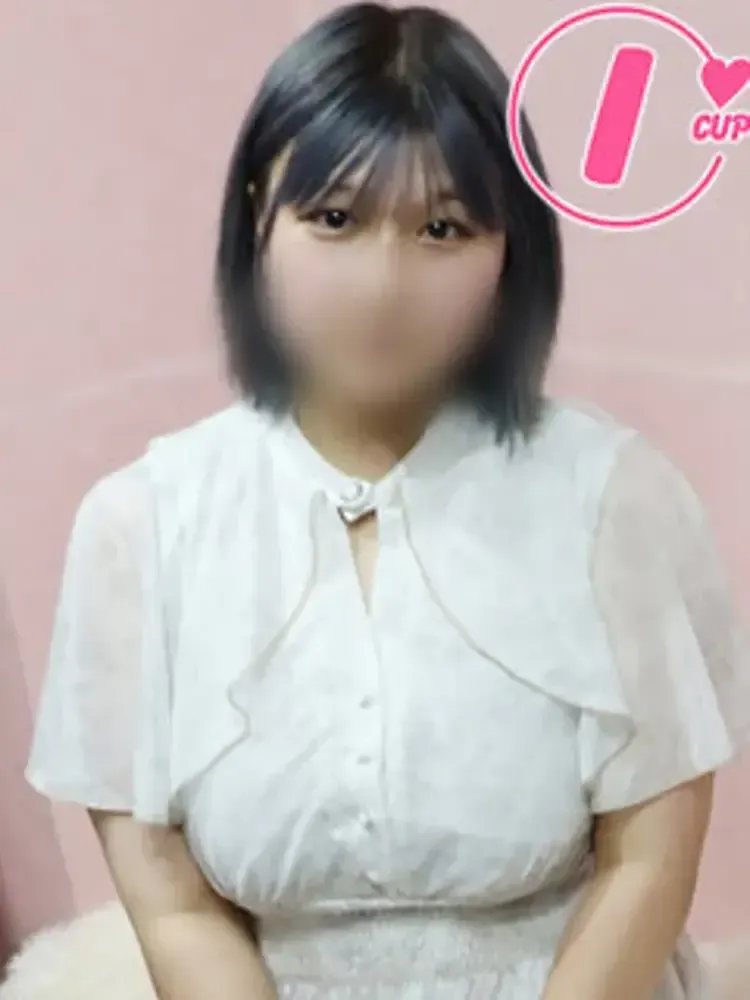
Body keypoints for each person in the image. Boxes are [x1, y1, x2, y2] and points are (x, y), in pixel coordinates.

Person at [26, 3, 750, 998]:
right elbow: (174, 903)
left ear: (511, 247)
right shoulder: (140, 525)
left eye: (442, 229)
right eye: (335, 219)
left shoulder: (615, 496)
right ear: (258, 213)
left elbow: (650, 860)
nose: (382, 284)